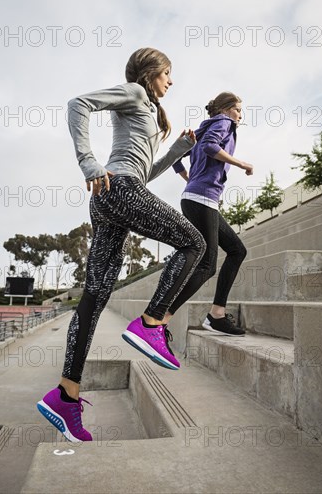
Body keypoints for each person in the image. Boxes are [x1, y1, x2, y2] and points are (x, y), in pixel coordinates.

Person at [37, 48, 206, 442]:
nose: (171, 81)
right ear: (151, 73)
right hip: (116, 187)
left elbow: (143, 172)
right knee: (193, 243)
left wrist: (177, 152)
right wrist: (88, 162)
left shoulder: (145, 108)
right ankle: (151, 322)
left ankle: (66, 393)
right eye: (168, 73)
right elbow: (78, 104)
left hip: (115, 196)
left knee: (93, 299)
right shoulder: (132, 92)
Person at [159, 92, 253, 335]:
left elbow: (175, 158)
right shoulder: (224, 123)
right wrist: (241, 164)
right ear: (225, 109)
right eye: (238, 110)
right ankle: (160, 319)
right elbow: (212, 147)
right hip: (201, 199)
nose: (240, 116)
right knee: (207, 265)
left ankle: (216, 315)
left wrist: (189, 179)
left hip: (197, 198)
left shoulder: (200, 131)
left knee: (236, 250)